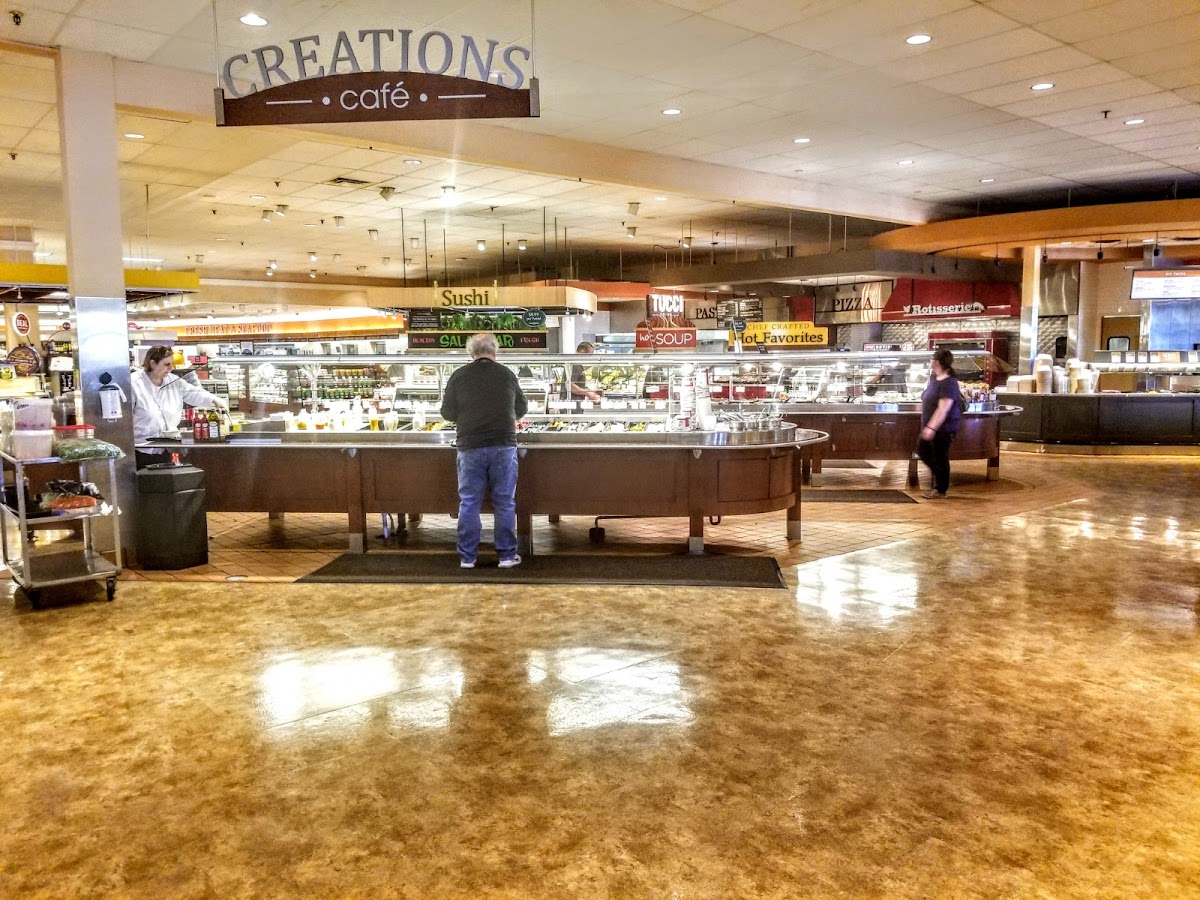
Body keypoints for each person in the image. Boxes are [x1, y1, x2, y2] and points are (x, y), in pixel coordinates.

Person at [439, 333, 528, 569]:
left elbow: (447, 413)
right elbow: (521, 407)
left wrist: (468, 416)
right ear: (495, 351)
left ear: (471, 353)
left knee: (469, 502)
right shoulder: (506, 374)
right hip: (503, 444)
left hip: (469, 445)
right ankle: (507, 556)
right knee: (505, 502)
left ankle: (467, 558)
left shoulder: (459, 376)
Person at [132, 345, 227, 469]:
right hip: (140, 451)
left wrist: (215, 400)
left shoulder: (173, 381)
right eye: (166, 364)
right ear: (152, 363)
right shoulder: (134, 383)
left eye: (172, 364)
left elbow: (194, 393)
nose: (171, 368)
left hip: (165, 449)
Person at [917, 348, 962, 500]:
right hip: (931, 426)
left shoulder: (949, 383)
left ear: (936, 362)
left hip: (943, 428)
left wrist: (931, 428)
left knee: (939, 457)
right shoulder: (934, 378)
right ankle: (940, 480)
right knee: (923, 451)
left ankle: (941, 488)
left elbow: (943, 409)